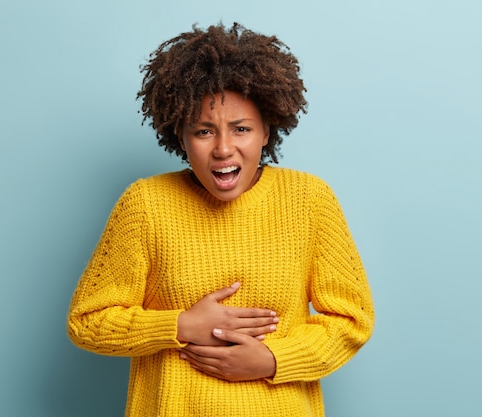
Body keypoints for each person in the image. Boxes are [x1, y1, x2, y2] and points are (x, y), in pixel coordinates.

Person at [67, 22, 374, 417]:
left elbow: (351, 319)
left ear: (267, 130)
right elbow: (88, 321)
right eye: (204, 131)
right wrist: (180, 326)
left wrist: (274, 360)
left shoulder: (309, 199)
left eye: (241, 129)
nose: (223, 148)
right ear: (180, 136)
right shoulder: (145, 203)